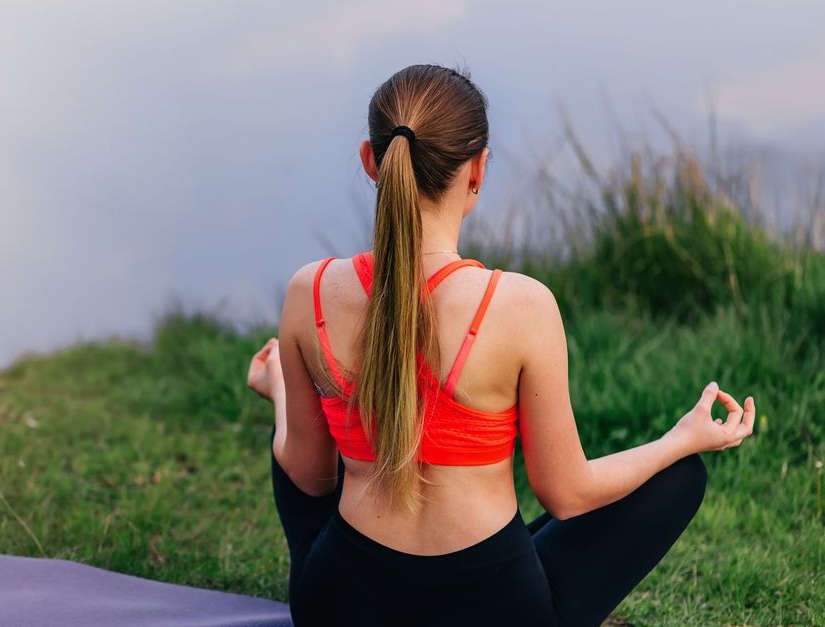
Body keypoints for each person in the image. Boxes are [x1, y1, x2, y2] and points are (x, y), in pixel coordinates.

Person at [244, 64, 756, 627]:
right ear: (478, 169)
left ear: (372, 160)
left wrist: (283, 400)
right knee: (678, 475)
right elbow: (568, 495)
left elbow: (309, 476)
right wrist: (680, 439)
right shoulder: (520, 305)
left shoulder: (309, 291)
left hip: (340, 606)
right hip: (490, 611)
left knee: (299, 430)